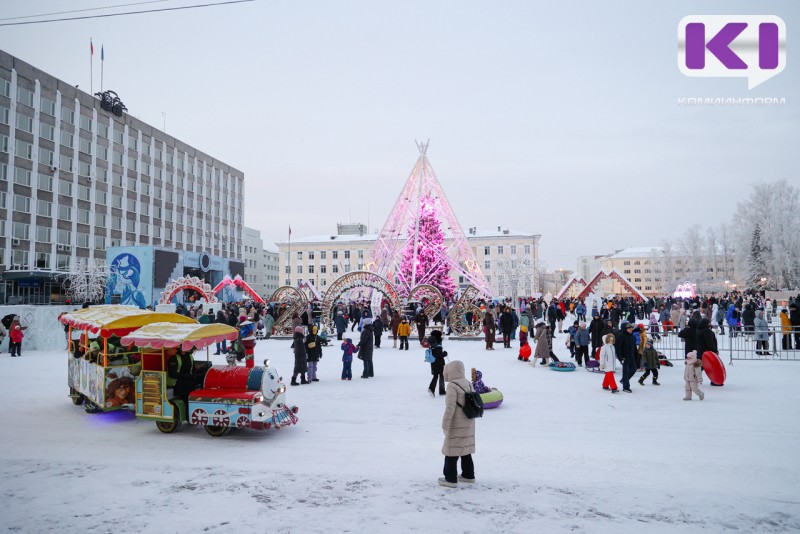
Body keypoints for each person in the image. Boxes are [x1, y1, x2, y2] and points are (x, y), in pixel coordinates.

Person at [438, 360, 476, 488]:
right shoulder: (468, 383)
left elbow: (450, 408)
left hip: (456, 423)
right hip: (469, 421)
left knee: (451, 451)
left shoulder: (452, 386)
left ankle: (450, 478)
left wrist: (445, 425)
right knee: (465, 448)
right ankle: (468, 475)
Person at [615, 322, 637, 393]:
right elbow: (618, 348)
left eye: (632, 328)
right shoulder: (621, 335)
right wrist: (620, 358)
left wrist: (636, 355)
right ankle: (626, 387)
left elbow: (634, 347)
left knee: (633, 369)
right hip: (624, 357)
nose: (631, 330)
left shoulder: (632, 336)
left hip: (631, 356)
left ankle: (623, 380)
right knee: (626, 372)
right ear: (626, 329)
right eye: (630, 328)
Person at [427, 330, 448, 397]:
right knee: (440, 375)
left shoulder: (432, 343)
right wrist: (444, 354)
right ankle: (433, 388)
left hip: (433, 362)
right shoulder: (437, 344)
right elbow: (438, 354)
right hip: (439, 363)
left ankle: (438, 390)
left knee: (437, 376)